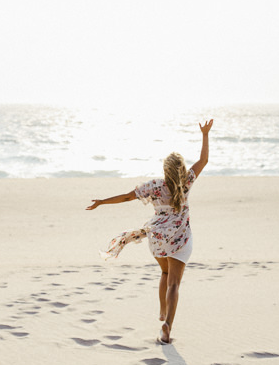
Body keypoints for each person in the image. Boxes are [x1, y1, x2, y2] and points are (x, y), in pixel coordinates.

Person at [86, 119, 213, 344]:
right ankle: (167, 325)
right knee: (174, 283)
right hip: (181, 239)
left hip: (157, 239)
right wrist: (205, 134)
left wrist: (102, 202)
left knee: (164, 274)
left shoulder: (154, 186)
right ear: (182, 169)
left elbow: (126, 196)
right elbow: (203, 160)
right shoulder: (187, 181)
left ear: (165, 171)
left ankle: (162, 311)